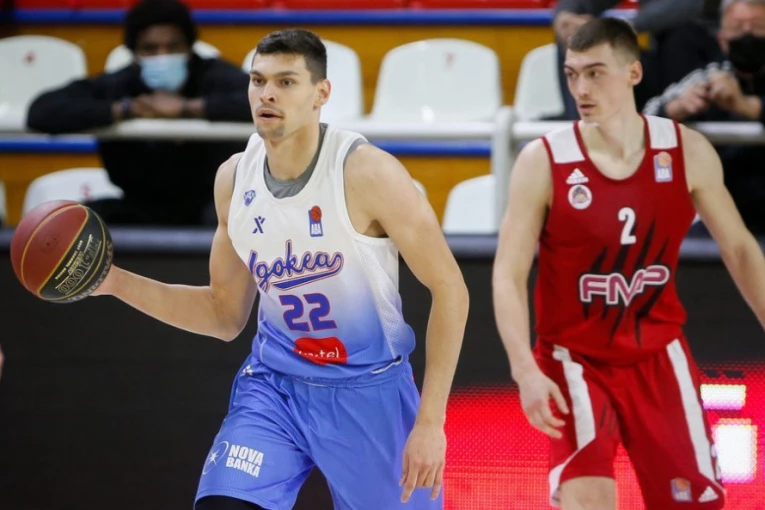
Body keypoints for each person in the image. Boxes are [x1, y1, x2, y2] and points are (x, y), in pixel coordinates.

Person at [91, 28, 468, 510]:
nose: (266, 93)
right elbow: (223, 315)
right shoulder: (234, 178)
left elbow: (450, 289)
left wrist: (431, 422)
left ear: (321, 93)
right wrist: (115, 281)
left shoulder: (368, 173)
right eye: (258, 80)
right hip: (275, 387)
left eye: (286, 82)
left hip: (367, 391)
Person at [493, 17, 765, 509]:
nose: (581, 88)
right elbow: (508, 274)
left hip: (659, 356)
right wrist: (523, 369)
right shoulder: (543, 160)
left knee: (695, 502)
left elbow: (741, 249)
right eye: (572, 74)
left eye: (595, 73)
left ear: (634, 73)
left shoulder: (686, 151)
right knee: (588, 498)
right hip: (574, 359)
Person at [26, 0, 251, 226]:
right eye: (150, 49)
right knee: (76, 222)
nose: (162, 56)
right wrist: (125, 109)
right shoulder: (119, 86)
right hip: (139, 205)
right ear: (134, 52)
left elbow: (261, 100)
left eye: (173, 47)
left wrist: (188, 107)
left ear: (190, 47)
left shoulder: (214, 75)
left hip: (211, 205)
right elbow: (41, 111)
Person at [644, 0, 765, 236]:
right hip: (720, 208)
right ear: (722, 39)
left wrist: (746, 106)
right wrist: (675, 109)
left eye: (758, 26)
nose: (747, 34)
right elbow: (643, 122)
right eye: (737, 27)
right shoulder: (708, 76)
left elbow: (747, 106)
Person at [551, 0, 720, 118]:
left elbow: (690, 5)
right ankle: (581, 133)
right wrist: (565, 17)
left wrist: (623, 27)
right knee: (577, 37)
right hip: (660, 65)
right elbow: (577, 4)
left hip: (710, 63)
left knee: (681, 38)